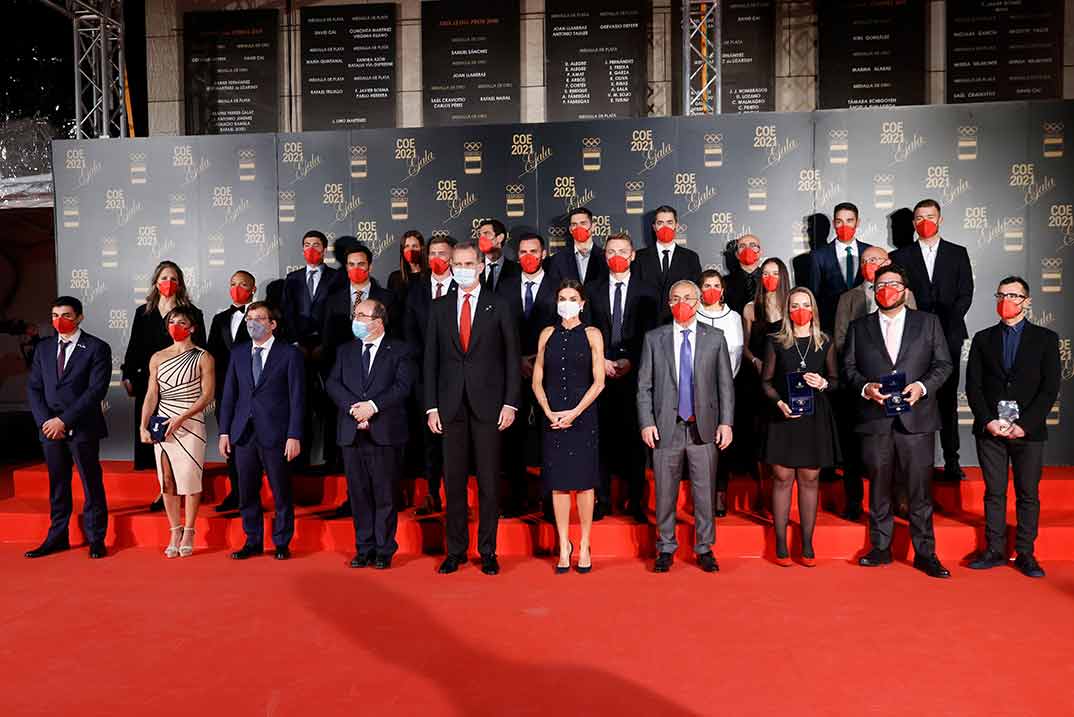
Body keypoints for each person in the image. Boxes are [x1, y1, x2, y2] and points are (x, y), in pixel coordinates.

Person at [844, 264, 953, 578]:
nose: (885, 290)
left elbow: (943, 364)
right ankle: (880, 548)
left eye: (892, 284)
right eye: (879, 285)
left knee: (919, 490)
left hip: (916, 419)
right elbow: (849, 369)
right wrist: (866, 388)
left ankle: (925, 553)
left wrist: (921, 388)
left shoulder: (928, 323)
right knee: (878, 487)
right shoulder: (859, 327)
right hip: (875, 420)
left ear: (905, 289)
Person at [424, 239, 521, 575]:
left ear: (481, 266)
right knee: (452, 482)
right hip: (450, 407)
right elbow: (430, 361)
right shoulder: (438, 307)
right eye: (457, 264)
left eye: (469, 264)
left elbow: (511, 357)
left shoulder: (500, 304)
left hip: (490, 406)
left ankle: (488, 550)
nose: (462, 269)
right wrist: (431, 407)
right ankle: (455, 550)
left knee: (489, 482)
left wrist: (511, 402)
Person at [966, 277, 1061, 578]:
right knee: (994, 493)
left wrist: (1025, 425)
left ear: (1027, 301)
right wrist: (987, 421)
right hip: (991, 430)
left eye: (1014, 295)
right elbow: (973, 386)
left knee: (1027, 494)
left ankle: (1025, 553)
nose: (1006, 300)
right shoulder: (982, 338)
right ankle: (994, 550)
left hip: (1028, 432)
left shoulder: (1046, 338)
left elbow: (1050, 388)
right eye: (1001, 294)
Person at [637, 280, 735, 573]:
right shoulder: (654, 338)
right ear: (669, 303)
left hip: (702, 427)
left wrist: (726, 423)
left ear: (698, 302)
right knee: (665, 492)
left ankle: (704, 548)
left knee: (704, 493)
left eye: (688, 298)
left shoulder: (715, 337)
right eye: (676, 298)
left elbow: (725, 386)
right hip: (666, 426)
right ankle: (665, 547)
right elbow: (644, 386)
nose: (682, 303)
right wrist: (646, 422)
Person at [326, 298, 412, 570]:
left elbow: (402, 386)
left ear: (378, 321)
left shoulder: (400, 350)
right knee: (359, 494)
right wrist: (354, 409)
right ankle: (363, 548)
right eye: (355, 314)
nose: (356, 320)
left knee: (385, 494)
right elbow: (333, 383)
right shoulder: (345, 351)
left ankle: (384, 549)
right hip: (351, 432)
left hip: (385, 431)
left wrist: (372, 407)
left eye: (362, 315)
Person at [890, 200, 973, 481]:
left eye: (930, 216)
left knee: (948, 398)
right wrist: (921, 326)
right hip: (914, 337)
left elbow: (966, 294)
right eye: (919, 217)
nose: (925, 221)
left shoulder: (957, 253)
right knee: (913, 395)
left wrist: (943, 325)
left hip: (949, 335)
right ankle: (911, 463)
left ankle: (952, 460)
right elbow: (900, 296)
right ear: (913, 223)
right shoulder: (900, 256)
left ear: (940, 219)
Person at [832, 246, 916, 521]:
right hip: (859, 383)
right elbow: (841, 339)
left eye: (876, 259)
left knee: (900, 443)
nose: (870, 264)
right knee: (855, 447)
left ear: (888, 262)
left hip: (899, 385)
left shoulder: (907, 295)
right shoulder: (848, 298)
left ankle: (900, 499)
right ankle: (854, 502)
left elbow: (913, 340)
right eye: (866, 260)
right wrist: (863, 378)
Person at [25, 297, 111, 559]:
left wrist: (65, 421)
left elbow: (96, 390)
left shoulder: (97, 347)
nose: (59, 320)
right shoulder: (43, 348)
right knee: (58, 484)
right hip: (49, 429)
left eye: (66, 315)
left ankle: (97, 538)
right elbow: (34, 387)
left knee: (91, 482)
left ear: (80, 317)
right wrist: (46, 422)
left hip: (82, 426)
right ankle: (57, 536)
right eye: (54, 315)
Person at [218, 302, 305, 561]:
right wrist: (224, 432)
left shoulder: (289, 354)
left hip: (276, 433)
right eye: (249, 318)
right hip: (243, 432)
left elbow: (297, 397)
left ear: (272, 324)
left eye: (259, 318)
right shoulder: (239, 352)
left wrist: (294, 434)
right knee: (246, 490)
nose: (252, 323)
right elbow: (229, 396)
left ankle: (281, 542)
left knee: (280, 491)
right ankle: (252, 540)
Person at [761, 288, 840, 566]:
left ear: (814, 309)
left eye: (806, 305)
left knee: (810, 479)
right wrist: (779, 403)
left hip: (814, 419)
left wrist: (824, 384)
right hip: (784, 418)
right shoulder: (775, 341)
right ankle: (781, 544)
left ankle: (807, 544)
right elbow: (766, 381)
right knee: (782, 479)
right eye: (795, 305)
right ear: (787, 310)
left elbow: (836, 379)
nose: (800, 310)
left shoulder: (825, 341)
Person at [532, 280, 606, 573]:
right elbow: (537, 377)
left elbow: (599, 381)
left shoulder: (592, 334)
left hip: (582, 417)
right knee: (559, 485)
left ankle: (585, 542)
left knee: (585, 484)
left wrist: (575, 412)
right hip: (553, 418)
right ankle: (564, 544)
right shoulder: (547, 334)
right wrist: (549, 412)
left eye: (572, 298)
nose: (566, 302)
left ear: (582, 303)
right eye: (562, 297)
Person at [121, 261, 206, 511]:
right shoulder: (143, 312)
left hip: (180, 386)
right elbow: (134, 346)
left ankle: (181, 488)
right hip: (150, 384)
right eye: (163, 277)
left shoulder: (192, 312)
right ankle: (165, 488)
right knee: (156, 440)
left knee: (178, 439)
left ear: (180, 283)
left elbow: (200, 349)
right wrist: (127, 374)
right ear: (155, 282)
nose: (168, 283)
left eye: (173, 278)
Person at [586, 233, 660, 522]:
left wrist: (633, 360)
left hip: (636, 375)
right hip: (600, 374)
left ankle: (636, 502)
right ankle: (601, 500)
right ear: (605, 257)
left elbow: (652, 333)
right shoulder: (592, 290)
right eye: (611, 251)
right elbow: (587, 329)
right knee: (601, 439)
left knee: (635, 440)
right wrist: (599, 359)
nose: (616, 256)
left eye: (622, 251)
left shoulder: (648, 291)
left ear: (632, 256)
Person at [139, 306, 214, 558]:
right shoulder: (157, 357)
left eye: (181, 322)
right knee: (167, 480)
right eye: (172, 322)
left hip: (190, 423)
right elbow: (152, 395)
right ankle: (174, 530)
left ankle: (190, 529)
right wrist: (143, 424)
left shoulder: (203, 356)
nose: (175, 326)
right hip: (163, 423)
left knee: (191, 479)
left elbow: (207, 396)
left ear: (192, 327)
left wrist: (182, 417)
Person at [500, 232, 558, 517]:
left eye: (533, 251)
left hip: (550, 373)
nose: (528, 257)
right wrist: (519, 360)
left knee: (551, 435)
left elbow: (566, 328)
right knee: (513, 438)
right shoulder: (505, 287)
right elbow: (497, 331)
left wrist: (539, 360)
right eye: (522, 252)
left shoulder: (559, 286)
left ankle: (550, 500)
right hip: (514, 372)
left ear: (544, 253)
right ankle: (516, 498)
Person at [405, 234, 457, 516]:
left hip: (459, 376)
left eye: (443, 253)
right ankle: (431, 493)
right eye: (432, 253)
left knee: (456, 439)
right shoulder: (416, 290)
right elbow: (409, 333)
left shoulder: (465, 287)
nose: (437, 258)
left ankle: (455, 496)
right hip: (425, 375)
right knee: (429, 438)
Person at [279, 229, 339, 469]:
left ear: (324, 250)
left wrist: (326, 344)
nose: (311, 249)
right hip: (298, 349)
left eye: (316, 245)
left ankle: (331, 458)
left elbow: (339, 314)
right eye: (307, 244)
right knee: (300, 402)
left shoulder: (337, 278)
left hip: (327, 349)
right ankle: (300, 458)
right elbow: (286, 313)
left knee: (331, 404)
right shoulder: (292, 280)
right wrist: (296, 344)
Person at [739, 257, 791, 508]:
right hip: (759, 380)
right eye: (765, 273)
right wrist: (756, 361)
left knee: (781, 435)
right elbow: (745, 347)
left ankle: (780, 492)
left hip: (786, 380)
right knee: (761, 435)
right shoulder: (751, 308)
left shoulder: (793, 304)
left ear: (783, 276)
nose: (770, 277)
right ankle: (764, 491)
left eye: (775, 273)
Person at [206, 270, 256, 512]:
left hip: (255, 390)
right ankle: (236, 494)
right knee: (230, 444)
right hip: (226, 391)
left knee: (256, 443)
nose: (237, 288)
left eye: (243, 284)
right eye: (233, 283)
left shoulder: (262, 316)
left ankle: (253, 497)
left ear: (253, 289)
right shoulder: (220, 319)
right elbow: (211, 354)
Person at [696, 269, 743, 517]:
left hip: (725, 387)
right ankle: (701, 496)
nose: (711, 289)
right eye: (706, 285)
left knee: (722, 443)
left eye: (716, 285)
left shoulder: (734, 317)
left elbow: (737, 352)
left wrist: (725, 380)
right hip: (696, 391)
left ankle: (720, 494)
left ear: (722, 289)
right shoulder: (692, 314)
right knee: (699, 444)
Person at [808, 202, 872, 333]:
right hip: (831, 326)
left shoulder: (870, 251)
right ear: (833, 223)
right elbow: (814, 294)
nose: (844, 226)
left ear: (857, 222)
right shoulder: (818, 255)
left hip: (865, 323)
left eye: (849, 221)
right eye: (839, 222)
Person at [634, 205, 703, 314]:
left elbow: (695, 294)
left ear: (676, 225)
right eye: (660, 223)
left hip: (679, 321)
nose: (665, 227)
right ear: (654, 227)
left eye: (669, 223)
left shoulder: (691, 258)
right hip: (646, 324)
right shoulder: (639, 257)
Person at [546, 207, 609, 286]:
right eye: (574, 224)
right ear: (570, 230)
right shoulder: (558, 260)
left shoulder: (605, 257)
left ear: (593, 227)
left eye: (583, 223)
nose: (579, 228)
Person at [477, 218, 521, 294]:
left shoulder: (517, 270)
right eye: (480, 235)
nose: (482, 238)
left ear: (500, 238)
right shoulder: (474, 269)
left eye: (486, 233)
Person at [723, 234, 764, 313]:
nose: (747, 249)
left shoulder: (770, 278)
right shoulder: (725, 282)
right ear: (737, 254)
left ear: (760, 252)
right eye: (742, 246)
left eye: (752, 245)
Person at [387, 230, 427, 298]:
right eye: (407, 246)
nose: (410, 250)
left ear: (421, 249)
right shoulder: (395, 277)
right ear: (402, 250)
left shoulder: (430, 275)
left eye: (414, 246)